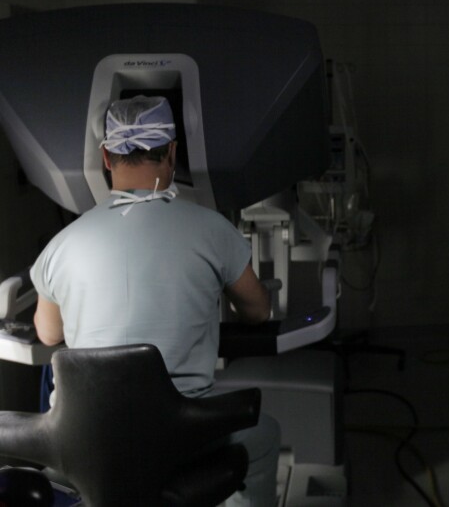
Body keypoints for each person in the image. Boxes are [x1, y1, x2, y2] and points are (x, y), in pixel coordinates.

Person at [31, 95, 280, 507]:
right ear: (173, 154)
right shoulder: (212, 230)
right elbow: (258, 311)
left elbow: (48, 331)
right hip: (180, 440)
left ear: (107, 157)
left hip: (83, 442)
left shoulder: (62, 245)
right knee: (264, 436)